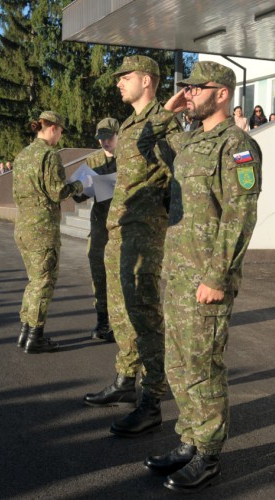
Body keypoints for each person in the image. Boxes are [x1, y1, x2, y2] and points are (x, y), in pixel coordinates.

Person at [144, 61, 262, 493]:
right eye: (186, 88)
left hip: (207, 278)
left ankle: (209, 453)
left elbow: (240, 215)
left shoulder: (238, 146)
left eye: (198, 88)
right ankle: (188, 440)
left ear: (223, 94)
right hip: (177, 275)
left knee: (203, 368)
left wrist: (216, 275)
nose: (189, 93)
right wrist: (168, 106)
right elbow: (148, 136)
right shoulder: (190, 142)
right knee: (178, 365)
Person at [83, 56, 182, 437]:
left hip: (144, 229)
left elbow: (181, 174)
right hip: (119, 228)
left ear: (147, 80)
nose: (119, 83)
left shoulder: (166, 123)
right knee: (120, 309)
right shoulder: (128, 124)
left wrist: (167, 218)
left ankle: (152, 399)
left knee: (143, 312)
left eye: (125, 77)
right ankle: (126, 379)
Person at [13, 111, 87, 353]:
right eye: (61, 131)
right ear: (53, 128)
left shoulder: (23, 155)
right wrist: (77, 185)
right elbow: (56, 192)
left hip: (23, 225)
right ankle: (35, 336)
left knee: (34, 281)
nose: (61, 136)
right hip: (43, 228)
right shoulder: (49, 156)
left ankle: (25, 331)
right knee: (44, 282)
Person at [74, 117, 120, 342]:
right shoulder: (92, 160)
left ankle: (124, 324)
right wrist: (80, 187)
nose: (104, 142)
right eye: (100, 138)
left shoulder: (130, 158)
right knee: (98, 274)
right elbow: (78, 194)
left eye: (108, 137)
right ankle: (103, 321)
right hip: (100, 227)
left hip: (123, 227)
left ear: (117, 135)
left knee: (123, 277)